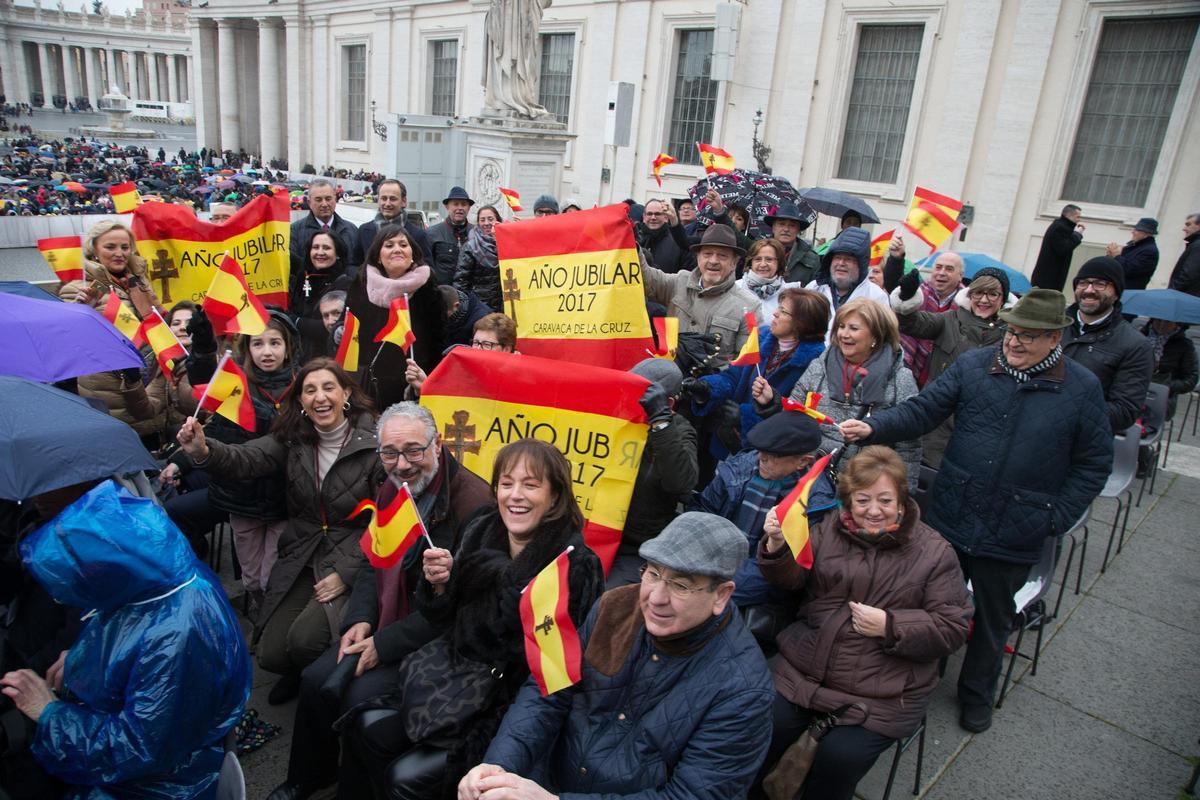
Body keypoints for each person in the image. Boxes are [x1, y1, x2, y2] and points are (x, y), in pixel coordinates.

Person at [839, 289, 1112, 733]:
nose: (1014, 342)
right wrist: (875, 426)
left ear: (1054, 338)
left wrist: (1054, 517)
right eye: (1011, 332)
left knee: (991, 619)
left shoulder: (1081, 388)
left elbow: (1093, 463)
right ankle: (913, 681)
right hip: (954, 510)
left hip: (1016, 527)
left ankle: (976, 695)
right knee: (927, 604)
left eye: (1028, 336)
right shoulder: (974, 365)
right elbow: (924, 410)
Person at [341, 439, 605, 799]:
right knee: (364, 727)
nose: (515, 496)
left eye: (531, 485)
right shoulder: (482, 526)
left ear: (556, 496)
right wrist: (439, 585)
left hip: (502, 699)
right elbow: (444, 614)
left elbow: (555, 672)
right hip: (447, 674)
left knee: (404, 778)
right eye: (507, 483)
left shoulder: (574, 565)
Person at [459, 512, 775, 800]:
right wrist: (498, 767)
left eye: (680, 586)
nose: (656, 598)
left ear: (721, 595)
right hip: (548, 780)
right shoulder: (615, 607)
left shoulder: (743, 689)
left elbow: (692, 796)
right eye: (652, 573)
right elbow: (550, 689)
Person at [266, 403, 493, 800]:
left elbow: (461, 608)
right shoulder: (392, 488)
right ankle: (308, 776)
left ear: (437, 446)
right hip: (389, 619)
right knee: (316, 678)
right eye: (389, 453)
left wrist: (382, 645)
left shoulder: (473, 505)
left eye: (413, 451)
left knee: (355, 696)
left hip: (441, 640)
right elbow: (375, 559)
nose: (401, 464)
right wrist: (361, 618)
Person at [1, 480, 251, 799]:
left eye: (78, 586)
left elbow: (137, 750)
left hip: (160, 784)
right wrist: (80, 660)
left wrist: (50, 714)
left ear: (104, 573)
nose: (72, 599)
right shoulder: (155, 579)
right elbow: (119, 634)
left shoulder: (176, 636)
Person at [756, 447, 970, 800]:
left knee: (839, 758)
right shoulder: (829, 529)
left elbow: (953, 627)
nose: (874, 510)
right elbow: (792, 580)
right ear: (848, 502)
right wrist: (777, 545)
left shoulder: (935, 553)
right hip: (803, 669)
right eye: (862, 500)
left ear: (902, 501)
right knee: (760, 724)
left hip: (881, 690)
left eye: (885, 500)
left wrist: (891, 625)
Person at [176, 358, 383, 704]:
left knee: (305, 640)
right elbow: (245, 458)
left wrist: (347, 574)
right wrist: (203, 451)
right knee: (271, 655)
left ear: (346, 392)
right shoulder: (293, 441)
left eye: (328, 387)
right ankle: (302, 672)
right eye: (310, 390)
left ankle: (328, 684)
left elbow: (387, 523)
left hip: (352, 557)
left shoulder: (375, 444)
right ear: (300, 401)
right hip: (302, 552)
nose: (320, 397)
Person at [756, 298, 922, 488]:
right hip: (809, 481)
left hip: (863, 487)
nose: (844, 334)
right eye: (841, 326)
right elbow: (793, 419)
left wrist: (903, 494)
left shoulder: (900, 378)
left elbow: (909, 444)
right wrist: (770, 403)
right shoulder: (820, 364)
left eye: (853, 328)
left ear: (876, 336)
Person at [692, 411, 836, 614]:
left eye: (774, 455)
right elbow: (703, 511)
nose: (762, 458)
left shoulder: (815, 502)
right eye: (761, 450)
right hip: (710, 563)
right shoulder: (739, 468)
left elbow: (784, 572)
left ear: (803, 461)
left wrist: (710, 587)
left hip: (759, 591)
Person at [57, 219, 174, 450]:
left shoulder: (138, 281)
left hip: (148, 381)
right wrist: (84, 310)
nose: (119, 253)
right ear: (94, 250)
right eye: (110, 247)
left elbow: (160, 322)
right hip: (110, 390)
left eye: (125, 247)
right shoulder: (78, 288)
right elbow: (66, 341)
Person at [688, 288, 829, 458]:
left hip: (770, 453)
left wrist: (745, 416)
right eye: (778, 308)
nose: (775, 314)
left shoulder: (815, 361)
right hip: (729, 439)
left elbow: (797, 416)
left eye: (783, 311)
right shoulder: (761, 337)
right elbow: (733, 377)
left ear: (802, 323)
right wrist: (707, 387)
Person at [891, 268, 1010, 467]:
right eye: (978, 293)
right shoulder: (950, 320)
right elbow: (911, 323)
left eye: (992, 294)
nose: (984, 300)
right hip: (938, 426)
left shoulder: (1009, 333)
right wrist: (907, 296)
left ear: (1003, 299)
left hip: (982, 427)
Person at [607, 359, 698, 587]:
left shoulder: (680, 431)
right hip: (594, 532)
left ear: (666, 402)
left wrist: (660, 423)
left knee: (605, 597)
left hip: (635, 547)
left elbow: (681, 483)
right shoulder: (613, 415)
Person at [347, 224, 446, 410]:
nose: (397, 249)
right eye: (389, 245)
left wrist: (425, 379)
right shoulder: (361, 284)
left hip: (413, 381)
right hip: (370, 383)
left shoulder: (427, 286)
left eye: (403, 244)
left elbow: (438, 340)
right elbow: (350, 329)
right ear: (378, 255)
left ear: (412, 253)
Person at [642, 224, 760, 368]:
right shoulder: (679, 282)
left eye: (722, 256)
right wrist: (632, 247)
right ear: (698, 257)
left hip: (712, 388)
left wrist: (710, 383)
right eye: (707, 254)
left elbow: (745, 364)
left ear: (734, 263)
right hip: (668, 379)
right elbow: (646, 278)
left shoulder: (750, 306)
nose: (713, 261)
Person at [1060, 257, 1154, 433]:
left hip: (1083, 443)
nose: (1089, 290)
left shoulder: (1135, 345)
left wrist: (1061, 410)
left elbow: (1125, 411)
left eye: (1100, 284)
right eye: (1083, 283)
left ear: (1116, 292)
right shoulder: (1053, 326)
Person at [891, 249, 965, 387]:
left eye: (949, 269)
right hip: (906, 375)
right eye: (938, 267)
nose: (942, 273)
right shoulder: (915, 296)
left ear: (960, 275)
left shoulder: (966, 306)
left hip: (943, 380)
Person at [404, 313, 517, 395]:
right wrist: (424, 387)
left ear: (506, 349)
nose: (477, 349)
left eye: (486, 344)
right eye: (476, 343)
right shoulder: (458, 371)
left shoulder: (520, 380)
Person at [804, 226, 890, 335]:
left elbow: (882, 336)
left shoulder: (876, 296)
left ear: (861, 264)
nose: (841, 263)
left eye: (848, 259)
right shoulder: (814, 288)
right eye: (837, 258)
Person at [290, 231, 352, 361]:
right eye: (315, 247)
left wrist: (294, 321)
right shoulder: (304, 276)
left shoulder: (345, 283)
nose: (320, 252)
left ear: (338, 254)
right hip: (300, 356)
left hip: (327, 359)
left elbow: (327, 328)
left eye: (327, 248)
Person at [290, 179, 361, 273]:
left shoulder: (351, 230)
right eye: (318, 200)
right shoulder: (295, 231)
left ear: (335, 199)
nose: (324, 204)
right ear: (309, 203)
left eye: (328, 199)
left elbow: (357, 265)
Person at [358, 179, 432, 265]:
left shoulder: (418, 235)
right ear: (378, 200)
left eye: (393, 199)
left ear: (404, 201)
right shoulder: (364, 231)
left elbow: (427, 268)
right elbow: (354, 265)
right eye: (384, 198)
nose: (387, 203)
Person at [453, 204, 504, 313]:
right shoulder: (470, 246)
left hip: (504, 305)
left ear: (498, 220)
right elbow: (461, 281)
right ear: (478, 223)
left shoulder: (506, 243)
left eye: (490, 219)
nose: (486, 223)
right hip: (479, 306)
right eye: (482, 220)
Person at [426, 186, 475, 286]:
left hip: (470, 294)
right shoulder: (432, 233)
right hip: (442, 295)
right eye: (455, 204)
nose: (460, 208)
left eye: (464, 204)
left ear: (469, 208)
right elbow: (426, 267)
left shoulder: (476, 233)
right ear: (447, 207)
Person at [1030, 204, 1085, 291]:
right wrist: (1078, 234)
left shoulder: (1060, 226)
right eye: (1077, 217)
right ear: (1069, 215)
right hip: (1048, 280)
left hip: (1048, 278)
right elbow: (1064, 248)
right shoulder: (1060, 228)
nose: (1079, 220)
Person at [765, 203, 820, 285]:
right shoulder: (758, 251)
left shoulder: (812, 258)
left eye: (792, 225)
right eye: (781, 224)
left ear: (798, 230)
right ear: (773, 228)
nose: (786, 229)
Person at [635, 198, 695, 273]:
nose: (653, 217)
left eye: (658, 214)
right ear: (644, 217)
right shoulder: (636, 241)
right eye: (649, 214)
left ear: (666, 217)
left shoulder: (678, 243)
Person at [736, 239, 789, 317]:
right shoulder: (735, 288)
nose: (763, 264)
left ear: (779, 263)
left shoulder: (788, 293)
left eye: (769, 259)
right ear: (751, 262)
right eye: (758, 259)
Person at [1107, 217, 1160, 291]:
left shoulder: (1149, 251)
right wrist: (1110, 256)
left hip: (1127, 292)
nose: (1133, 232)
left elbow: (1129, 270)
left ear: (1146, 233)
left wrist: (1116, 255)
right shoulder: (1136, 246)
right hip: (1118, 288)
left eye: (1137, 230)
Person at [1167, 212, 1200, 296]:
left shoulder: (1198, 245)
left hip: (1185, 297)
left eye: (1188, 225)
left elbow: (1188, 275)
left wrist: (1170, 292)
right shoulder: (1195, 244)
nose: (1184, 228)